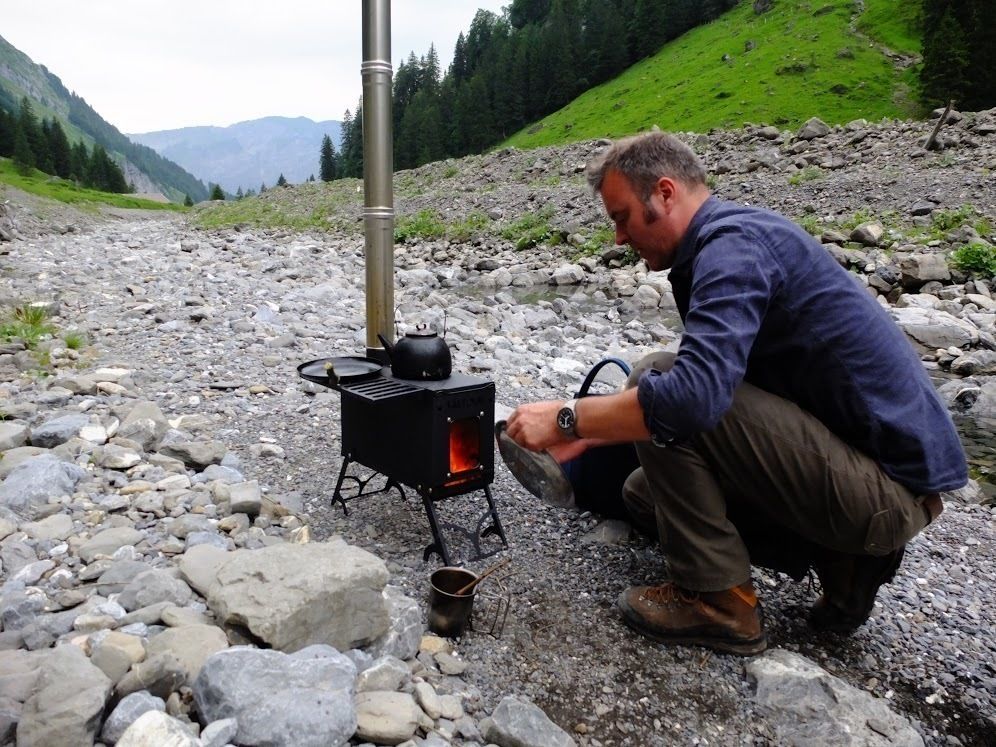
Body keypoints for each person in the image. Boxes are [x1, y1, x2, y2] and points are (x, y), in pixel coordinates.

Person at [499, 132, 967, 656]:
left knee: (656, 377)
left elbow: (692, 399)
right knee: (642, 495)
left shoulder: (732, 246)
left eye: (623, 215)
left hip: (887, 494)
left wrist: (569, 418)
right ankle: (843, 559)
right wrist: (599, 432)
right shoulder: (731, 238)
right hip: (871, 477)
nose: (618, 238)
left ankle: (721, 602)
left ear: (666, 192)